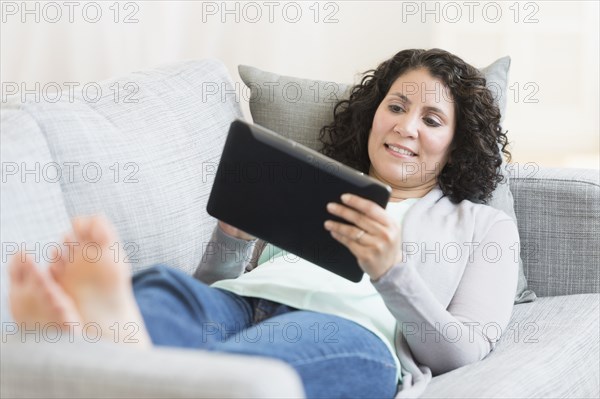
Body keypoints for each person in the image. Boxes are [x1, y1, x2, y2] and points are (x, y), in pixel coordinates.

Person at [8, 48, 519, 399]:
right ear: (374, 114)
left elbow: (463, 350)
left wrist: (391, 272)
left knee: (238, 371)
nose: (405, 127)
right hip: (235, 301)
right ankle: (98, 341)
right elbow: (217, 282)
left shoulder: (479, 226)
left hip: (351, 329)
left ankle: (96, 358)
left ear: (457, 145)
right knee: (167, 289)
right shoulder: (318, 185)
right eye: (397, 106)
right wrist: (231, 238)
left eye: (431, 120)